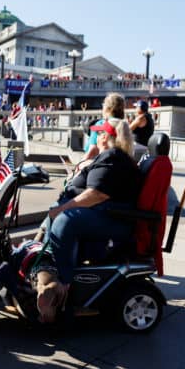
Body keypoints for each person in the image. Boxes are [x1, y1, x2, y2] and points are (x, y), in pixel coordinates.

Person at [44, 118, 142, 291]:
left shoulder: (112, 156)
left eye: (98, 133)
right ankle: (47, 270)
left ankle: (62, 283)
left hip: (113, 217)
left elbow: (96, 194)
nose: (96, 136)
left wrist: (62, 209)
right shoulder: (112, 156)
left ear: (105, 137)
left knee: (63, 219)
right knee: (56, 215)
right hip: (108, 213)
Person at [82, 92, 125, 161]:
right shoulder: (124, 125)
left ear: (107, 109)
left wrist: (79, 165)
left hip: (100, 161)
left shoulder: (101, 124)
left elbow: (92, 150)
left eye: (104, 104)